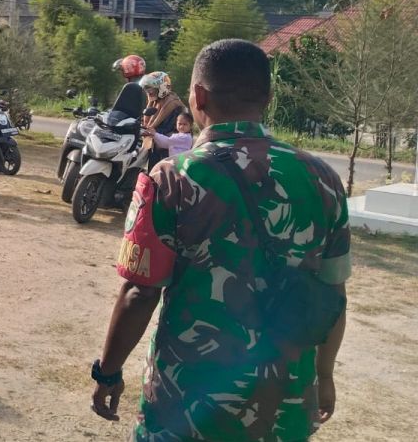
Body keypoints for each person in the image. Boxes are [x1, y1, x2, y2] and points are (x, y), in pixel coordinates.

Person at [90, 39, 350, 441]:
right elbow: (333, 293)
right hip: (284, 402)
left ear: (198, 96)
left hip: (187, 402)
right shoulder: (323, 178)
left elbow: (140, 293)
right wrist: (324, 376)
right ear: (268, 99)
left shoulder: (172, 177)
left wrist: (107, 372)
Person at [139, 71, 185, 167]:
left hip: (170, 151)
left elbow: (169, 129)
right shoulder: (156, 101)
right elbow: (146, 120)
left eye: (151, 88)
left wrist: (149, 131)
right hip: (158, 145)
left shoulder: (173, 104)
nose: (148, 91)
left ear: (162, 87)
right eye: (147, 88)